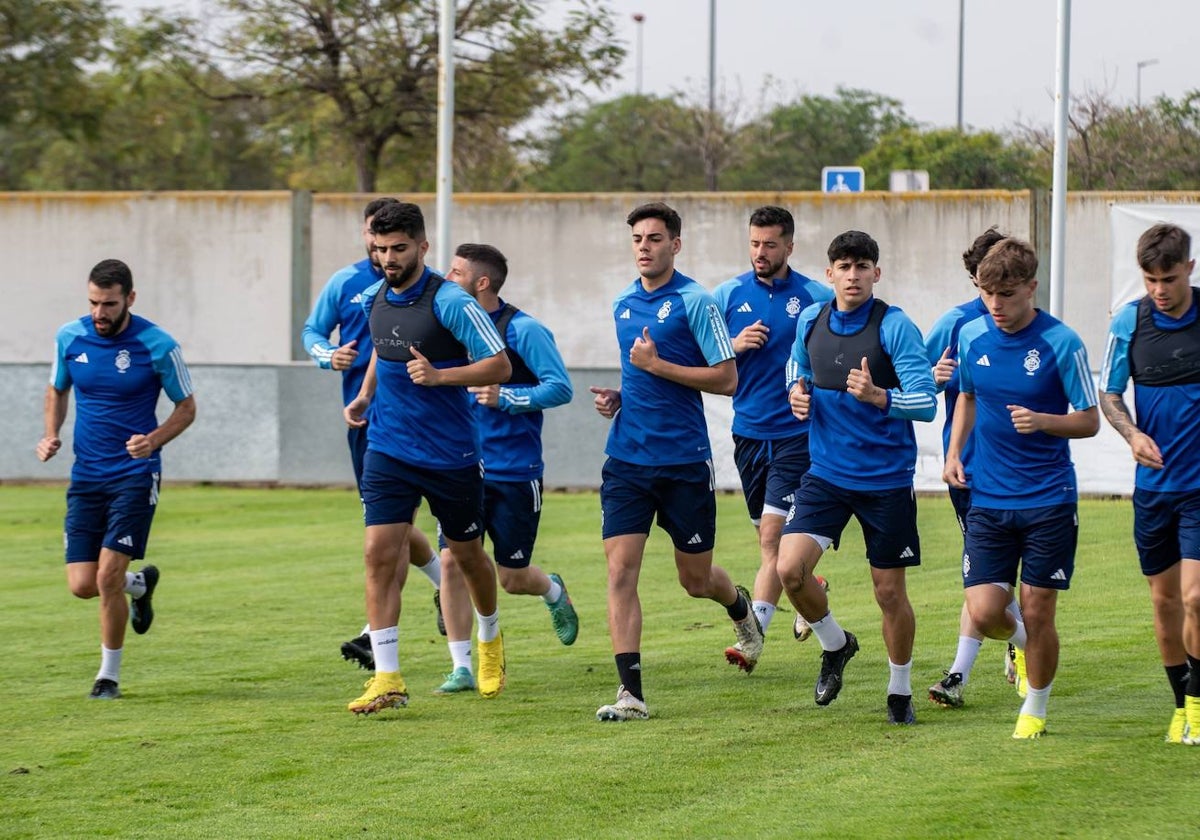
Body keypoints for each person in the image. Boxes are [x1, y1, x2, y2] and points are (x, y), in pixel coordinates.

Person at [588, 201, 760, 721]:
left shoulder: (695, 302)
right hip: (626, 458)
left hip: (684, 461)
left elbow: (727, 379)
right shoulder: (621, 303)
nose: (644, 246)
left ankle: (739, 606)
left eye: (655, 238)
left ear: (675, 245)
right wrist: (620, 397)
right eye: (638, 238)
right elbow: (641, 376)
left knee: (695, 579)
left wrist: (658, 365)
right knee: (620, 572)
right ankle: (631, 694)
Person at [342, 202, 512, 714]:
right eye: (380, 249)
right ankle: (388, 677)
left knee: (467, 556)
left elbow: (499, 364)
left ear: (422, 246)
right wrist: (366, 396)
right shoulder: (375, 295)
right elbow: (383, 348)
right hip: (389, 447)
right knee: (378, 553)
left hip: (450, 453)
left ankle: (489, 637)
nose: (388, 258)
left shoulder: (453, 301)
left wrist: (440, 376)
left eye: (398, 249)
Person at [943, 237, 1099, 739]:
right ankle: (1033, 643)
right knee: (987, 610)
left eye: (1007, 295)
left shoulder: (1062, 343)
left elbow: (1090, 421)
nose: (997, 306)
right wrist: (951, 454)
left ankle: (1035, 705)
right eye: (988, 294)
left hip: (1048, 499)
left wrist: (1044, 421)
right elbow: (966, 396)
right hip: (988, 495)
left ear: (1032, 287)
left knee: (1037, 604)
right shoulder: (970, 335)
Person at [780, 230, 937, 725]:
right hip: (826, 475)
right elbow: (795, 368)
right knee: (790, 571)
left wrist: (879, 397)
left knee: (889, 594)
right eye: (843, 267)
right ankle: (836, 643)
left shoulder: (895, 326)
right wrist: (795, 393)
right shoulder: (811, 318)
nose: (852, 275)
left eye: (862, 266)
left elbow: (927, 402)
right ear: (829, 274)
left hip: (886, 480)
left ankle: (899, 691)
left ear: (876, 272)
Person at [36, 258, 196, 699]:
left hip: (134, 474)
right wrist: (51, 434)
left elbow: (187, 407)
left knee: (106, 577)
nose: (99, 313)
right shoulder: (70, 337)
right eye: (93, 303)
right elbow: (57, 388)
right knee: (82, 585)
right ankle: (139, 586)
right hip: (86, 475)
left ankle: (108, 676)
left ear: (130, 298)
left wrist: (154, 440)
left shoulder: (158, 345)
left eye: (108, 304)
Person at [301, 197, 445, 671]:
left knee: (388, 532)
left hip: (421, 423)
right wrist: (329, 355)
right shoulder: (345, 282)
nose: (382, 253)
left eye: (391, 244)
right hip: (366, 423)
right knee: (393, 528)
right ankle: (447, 584)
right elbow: (311, 332)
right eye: (373, 239)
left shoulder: (429, 287)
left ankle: (375, 635)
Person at [433, 242, 578, 695]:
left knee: (511, 578)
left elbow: (560, 388)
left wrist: (508, 397)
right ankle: (461, 666)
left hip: (516, 472)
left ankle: (552, 590)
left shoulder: (526, 330)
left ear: (481, 283)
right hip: (461, 467)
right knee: (452, 562)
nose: (444, 278)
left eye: (455, 272)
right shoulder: (447, 328)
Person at [711, 205, 833, 673]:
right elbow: (704, 354)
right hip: (747, 434)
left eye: (770, 245)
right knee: (774, 546)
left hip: (797, 434)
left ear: (789, 246)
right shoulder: (726, 295)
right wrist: (733, 346)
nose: (761, 253)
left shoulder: (815, 297)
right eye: (754, 244)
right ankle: (808, 585)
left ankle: (753, 636)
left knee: (771, 538)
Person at [1099, 223, 1200, 744]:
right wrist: (1133, 434)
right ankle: (1181, 705)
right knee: (1164, 602)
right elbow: (1110, 394)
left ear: (1189, 267)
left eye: (1168, 278)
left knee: (1196, 597)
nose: (1159, 289)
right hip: (1155, 488)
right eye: (1149, 280)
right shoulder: (1129, 323)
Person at [925, 227, 1024, 709]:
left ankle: (997, 653)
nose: (994, 291)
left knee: (997, 576)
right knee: (983, 574)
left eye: (1006, 281)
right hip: (969, 472)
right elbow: (911, 386)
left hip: (1024, 477)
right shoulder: (955, 326)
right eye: (986, 281)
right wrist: (933, 377)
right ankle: (983, 660)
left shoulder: (1037, 331)